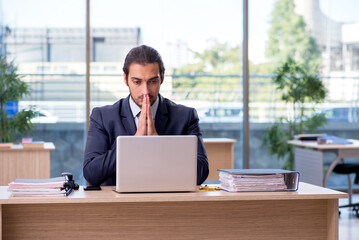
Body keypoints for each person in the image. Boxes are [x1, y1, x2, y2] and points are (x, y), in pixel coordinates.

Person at [83, 45, 209, 186]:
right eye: (137, 82)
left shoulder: (185, 116)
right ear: (125, 79)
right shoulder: (103, 116)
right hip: (118, 204)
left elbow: (201, 172)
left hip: (169, 201)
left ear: (162, 78)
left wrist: (159, 146)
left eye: (153, 81)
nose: (145, 91)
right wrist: (134, 144)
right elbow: (91, 173)